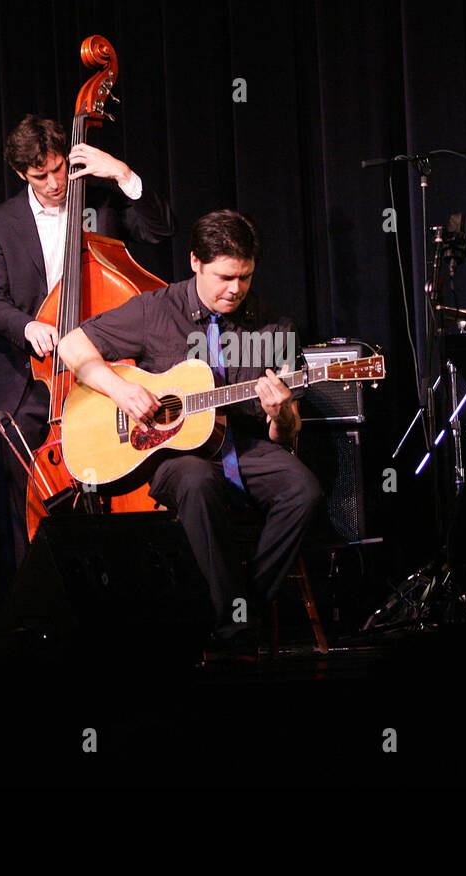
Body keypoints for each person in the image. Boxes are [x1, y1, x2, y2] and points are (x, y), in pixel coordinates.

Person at [56, 210, 323, 657]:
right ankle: (237, 625)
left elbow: (284, 432)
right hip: (172, 452)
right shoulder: (156, 309)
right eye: (224, 277)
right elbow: (71, 346)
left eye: (245, 277)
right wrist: (121, 389)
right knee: (198, 482)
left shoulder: (274, 324)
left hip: (245, 442)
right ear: (196, 261)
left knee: (305, 491)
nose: (235, 289)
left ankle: (240, 614)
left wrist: (281, 413)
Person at [0, 115, 174, 572]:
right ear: (22, 173)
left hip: (108, 370)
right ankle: (45, 594)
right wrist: (27, 326)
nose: (55, 182)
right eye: (40, 175)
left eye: (60, 168)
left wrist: (122, 173)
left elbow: (161, 230)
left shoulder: (100, 199)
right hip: (35, 377)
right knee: (31, 479)